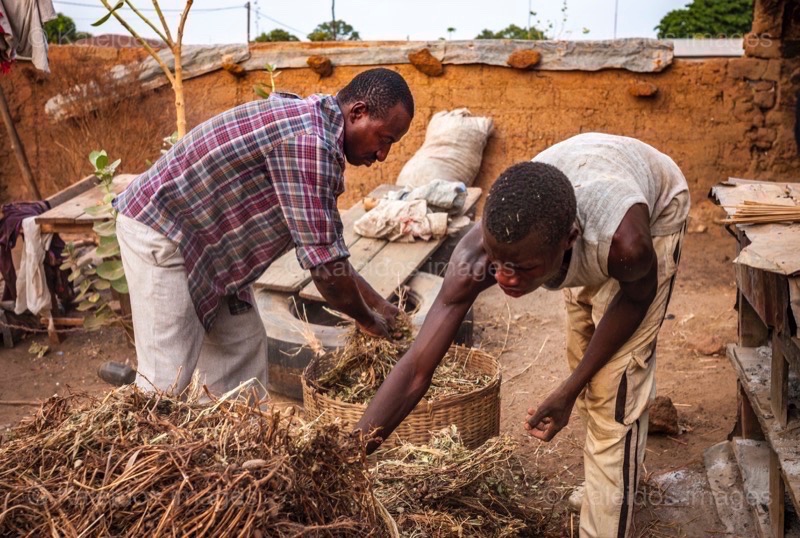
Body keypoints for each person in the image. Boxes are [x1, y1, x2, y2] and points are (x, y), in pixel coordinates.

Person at [356, 132, 689, 538]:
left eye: (524, 269)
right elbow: (415, 370)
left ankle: (607, 512)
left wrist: (570, 391)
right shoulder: (484, 251)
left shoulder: (628, 243)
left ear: (569, 240)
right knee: (582, 342)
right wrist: (351, 454)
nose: (506, 280)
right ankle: (614, 479)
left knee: (611, 388)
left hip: (653, 204)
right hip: (580, 200)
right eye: (499, 264)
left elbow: (636, 300)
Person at [114, 68, 414, 398]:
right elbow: (328, 271)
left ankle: (235, 442)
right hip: (164, 232)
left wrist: (382, 308)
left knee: (241, 345)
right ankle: (142, 441)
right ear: (358, 113)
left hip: (212, 251)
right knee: (166, 379)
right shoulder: (310, 144)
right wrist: (368, 321)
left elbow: (329, 254)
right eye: (384, 139)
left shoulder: (316, 127)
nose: (383, 154)